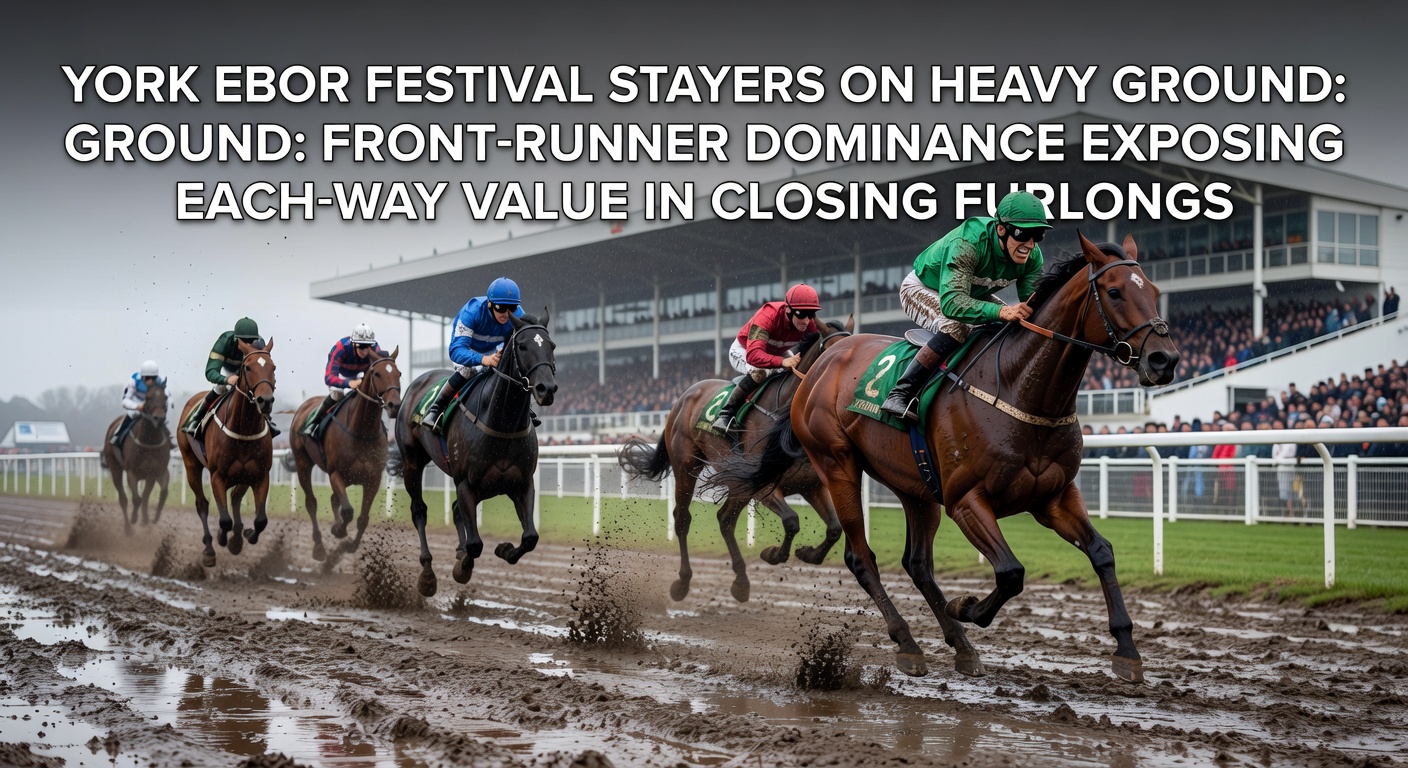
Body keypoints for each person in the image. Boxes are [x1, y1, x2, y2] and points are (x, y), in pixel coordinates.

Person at [881, 190, 1051, 423]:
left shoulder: (1032, 257)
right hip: (925, 289)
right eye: (1023, 234)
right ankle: (901, 392)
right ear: (1001, 229)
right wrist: (1003, 311)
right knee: (957, 326)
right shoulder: (968, 242)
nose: (1030, 244)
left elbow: (1033, 305)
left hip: (969, 293)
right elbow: (952, 303)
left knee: (1013, 325)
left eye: (1038, 235)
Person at [710, 283, 822, 433]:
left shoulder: (809, 324)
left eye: (811, 314)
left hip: (776, 352)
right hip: (745, 350)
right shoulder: (768, 315)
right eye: (801, 314)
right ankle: (726, 414)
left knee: (799, 370)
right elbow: (753, 355)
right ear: (788, 309)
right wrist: (782, 362)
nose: (806, 321)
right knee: (760, 372)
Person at [422, 277, 524, 434]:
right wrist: (483, 359)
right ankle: (436, 408)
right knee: (468, 371)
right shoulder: (472, 312)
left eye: (512, 308)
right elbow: (456, 350)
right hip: (468, 350)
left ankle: (526, 408)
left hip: (495, 350)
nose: (506, 314)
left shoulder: (519, 315)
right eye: (501, 308)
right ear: (490, 304)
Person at [182, 317, 279, 437]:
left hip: (249, 373)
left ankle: (267, 420)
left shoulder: (260, 344)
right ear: (236, 338)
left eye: (251, 340)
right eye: (244, 340)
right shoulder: (224, 342)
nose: (248, 344)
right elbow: (211, 371)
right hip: (230, 372)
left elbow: (262, 369)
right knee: (220, 388)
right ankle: (197, 417)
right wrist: (226, 379)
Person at [306, 323, 385, 440]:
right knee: (337, 394)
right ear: (353, 344)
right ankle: (314, 423)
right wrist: (348, 383)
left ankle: (380, 427)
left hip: (361, 376)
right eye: (361, 347)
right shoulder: (340, 348)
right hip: (341, 377)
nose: (365, 351)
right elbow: (328, 377)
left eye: (367, 346)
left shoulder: (375, 348)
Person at [110, 360, 165, 446]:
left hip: (151, 409)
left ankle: (169, 442)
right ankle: (117, 436)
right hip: (136, 406)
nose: (150, 381)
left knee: (162, 423)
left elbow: (164, 398)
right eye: (147, 378)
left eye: (153, 378)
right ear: (142, 376)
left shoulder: (160, 382)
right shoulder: (134, 381)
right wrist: (137, 406)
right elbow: (125, 401)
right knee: (130, 417)